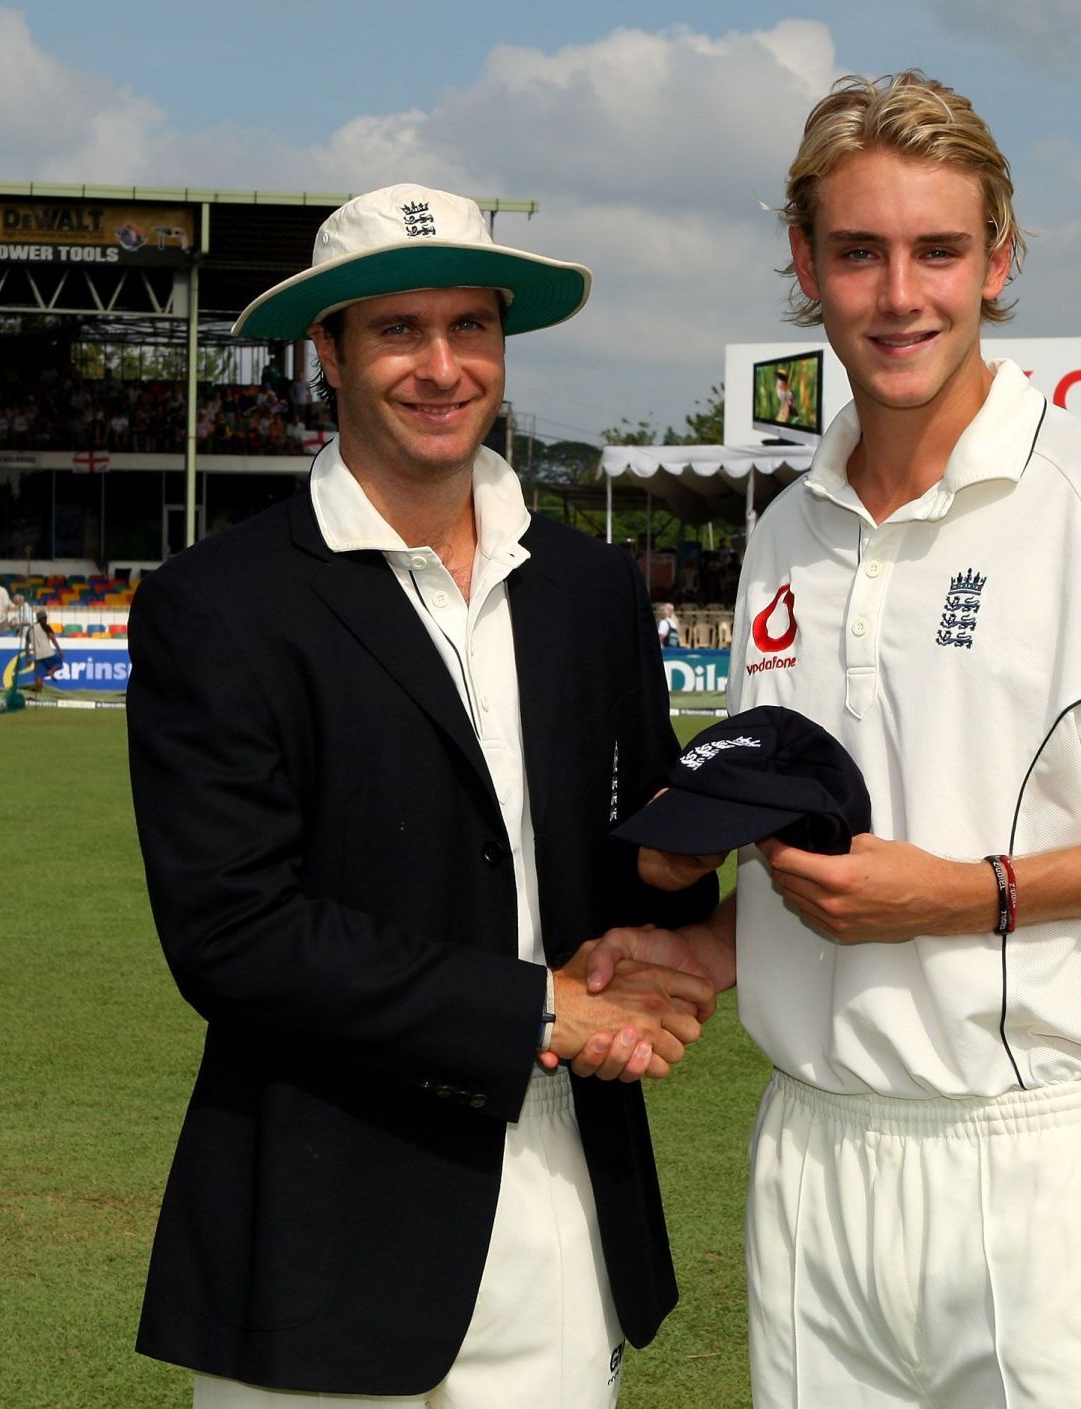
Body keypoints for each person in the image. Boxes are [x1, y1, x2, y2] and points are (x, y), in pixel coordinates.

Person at [580, 71, 1081, 1408]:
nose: (900, 296)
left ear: (998, 263)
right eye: (860, 252)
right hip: (814, 1156)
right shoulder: (785, 531)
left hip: (1038, 1154)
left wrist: (972, 896)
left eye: (939, 251)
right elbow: (836, 854)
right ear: (803, 265)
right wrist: (706, 950)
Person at [125, 183, 719, 1407]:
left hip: (561, 1188)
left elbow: (614, 865)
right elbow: (232, 933)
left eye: (471, 327)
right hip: (319, 1213)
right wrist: (532, 1012)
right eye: (398, 330)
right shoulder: (219, 601)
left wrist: (674, 875)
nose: (442, 366)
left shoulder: (592, 588)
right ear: (327, 353)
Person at [27, 608, 63, 694]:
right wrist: (59, 650)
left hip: (37, 656)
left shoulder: (30, 629)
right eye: (45, 618)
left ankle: (39, 692)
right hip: (48, 653)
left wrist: (28, 658)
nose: (46, 620)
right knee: (59, 663)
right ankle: (51, 671)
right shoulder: (45, 626)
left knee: (39, 675)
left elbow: (26, 645)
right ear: (43, 619)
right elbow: (53, 639)